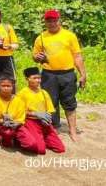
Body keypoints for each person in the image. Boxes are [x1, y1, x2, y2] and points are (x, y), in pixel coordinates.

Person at [33, 9, 86, 140]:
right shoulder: (41, 37)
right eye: (48, 21)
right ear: (45, 22)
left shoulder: (69, 35)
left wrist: (83, 74)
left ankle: (72, 130)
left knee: (69, 102)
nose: (51, 23)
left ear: (59, 20)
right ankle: (54, 128)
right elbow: (35, 56)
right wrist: (37, 57)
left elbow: (77, 56)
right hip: (48, 74)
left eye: (54, 20)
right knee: (51, 102)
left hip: (67, 74)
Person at [18, 67, 65, 154]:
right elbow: (19, 113)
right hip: (30, 121)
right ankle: (24, 138)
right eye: (34, 78)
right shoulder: (22, 94)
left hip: (44, 122)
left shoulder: (43, 92)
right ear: (27, 79)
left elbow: (50, 109)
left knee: (60, 148)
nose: (38, 81)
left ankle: (40, 138)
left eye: (39, 78)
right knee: (40, 150)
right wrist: (36, 114)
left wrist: (47, 118)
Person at [0, 77, 39, 153]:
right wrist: (3, 121)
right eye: (3, 86)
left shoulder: (19, 101)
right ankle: (4, 138)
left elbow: (21, 118)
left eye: (8, 86)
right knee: (8, 136)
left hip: (16, 125)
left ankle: (17, 140)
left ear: (12, 87)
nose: (6, 88)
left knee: (32, 145)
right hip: (2, 125)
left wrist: (15, 123)